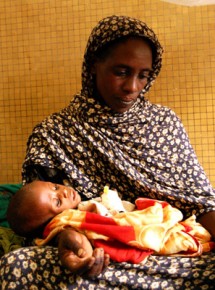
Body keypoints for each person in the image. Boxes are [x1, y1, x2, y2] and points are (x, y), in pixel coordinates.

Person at [2, 15, 215, 288]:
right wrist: (70, 241)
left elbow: (200, 202)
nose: (132, 87)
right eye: (121, 72)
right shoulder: (53, 134)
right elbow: (36, 216)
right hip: (99, 257)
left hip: (172, 254)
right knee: (17, 266)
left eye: (144, 75)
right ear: (93, 66)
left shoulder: (165, 123)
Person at [6, 180, 214, 265]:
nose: (64, 191)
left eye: (54, 187)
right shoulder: (67, 221)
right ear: (49, 223)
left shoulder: (81, 208)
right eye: (58, 201)